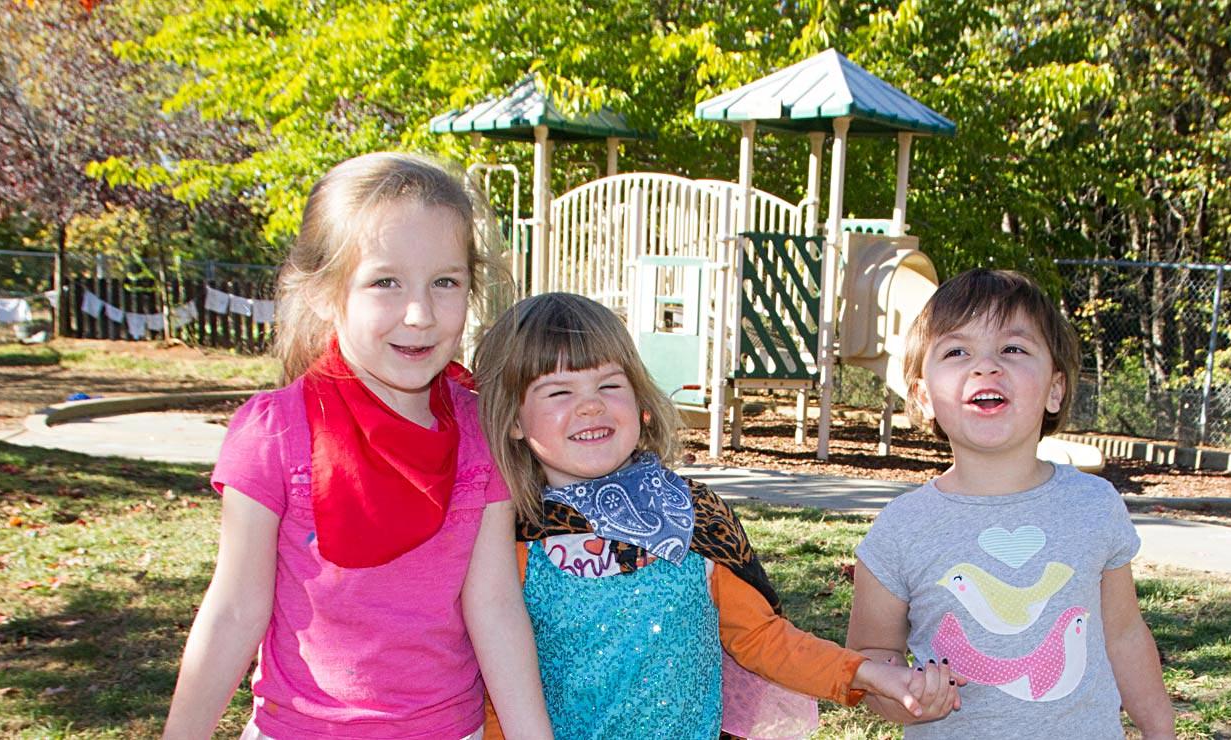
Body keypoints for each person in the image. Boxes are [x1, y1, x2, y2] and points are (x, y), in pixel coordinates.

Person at [163, 152, 551, 740]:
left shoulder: (481, 431)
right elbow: (235, 611)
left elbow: (495, 607)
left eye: (445, 282)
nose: (419, 314)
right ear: (323, 293)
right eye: (384, 282)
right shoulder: (273, 434)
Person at [472, 292, 958, 739]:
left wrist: (868, 673)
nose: (591, 405)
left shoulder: (692, 519)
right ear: (513, 419)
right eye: (559, 392)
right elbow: (491, 689)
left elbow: (764, 640)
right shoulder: (505, 542)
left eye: (609, 383)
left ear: (640, 400)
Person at [846, 269, 1175, 739]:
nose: (986, 366)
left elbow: (1124, 634)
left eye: (1013, 349)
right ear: (924, 395)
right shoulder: (901, 529)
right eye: (957, 352)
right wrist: (910, 700)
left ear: (1054, 389)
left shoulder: (1093, 504)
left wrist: (1159, 731)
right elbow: (872, 654)